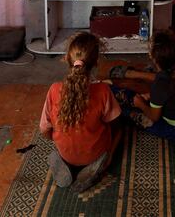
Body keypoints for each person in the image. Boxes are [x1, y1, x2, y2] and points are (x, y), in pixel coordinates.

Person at [39, 32, 122, 192]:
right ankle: (101, 162)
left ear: (66, 59)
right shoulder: (103, 91)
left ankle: (66, 162)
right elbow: (114, 122)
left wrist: (61, 139)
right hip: (94, 153)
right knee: (120, 127)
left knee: (63, 139)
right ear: (96, 62)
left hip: (66, 153)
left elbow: (44, 131)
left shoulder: (54, 90)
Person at [112, 31, 175, 139]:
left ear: (155, 59)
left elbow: (154, 117)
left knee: (129, 112)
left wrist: (141, 104)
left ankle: (116, 97)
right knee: (140, 99)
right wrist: (151, 95)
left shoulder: (160, 85)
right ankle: (121, 96)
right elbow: (172, 91)